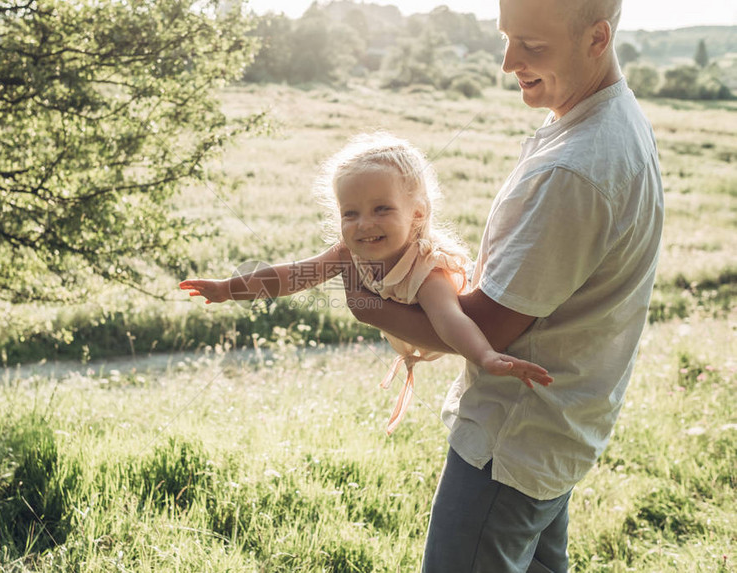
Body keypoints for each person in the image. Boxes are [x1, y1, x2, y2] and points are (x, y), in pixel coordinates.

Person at [345, 0, 664, 570]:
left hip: (513, 439)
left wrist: (368, 301)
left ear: (597, 38)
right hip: (557, 426)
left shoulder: (574, 169)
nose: (507, 62)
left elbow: (485, 329)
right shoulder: (607, 116)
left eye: (532, 46)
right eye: (506, 38)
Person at [180, 132, 552, 434]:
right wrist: (228, 289)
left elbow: (449, 319)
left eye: (381, 209)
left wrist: (485, 357)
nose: (363, 224)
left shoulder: (427, 268)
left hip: (479, 344)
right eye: (350, 213)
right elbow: (290, 275)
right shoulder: (349, 252)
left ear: (417, 213)